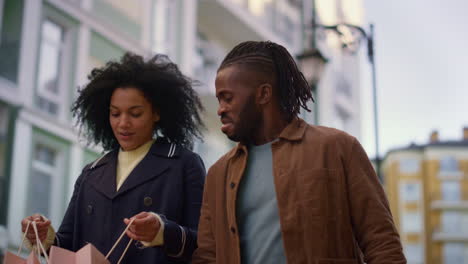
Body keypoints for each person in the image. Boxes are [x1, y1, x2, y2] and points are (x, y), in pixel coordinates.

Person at [192, 41, 406, 264]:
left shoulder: (338, 148)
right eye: (219, 100)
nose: (221, 109)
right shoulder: (218, 174)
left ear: (263, 94)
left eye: (228, 98)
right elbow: (207, 256)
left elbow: (381, 242)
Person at [21, 53, 206, 263]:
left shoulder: (184, 164)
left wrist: (162, 232)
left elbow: (204, 242)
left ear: (157, 113)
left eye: (135, 114)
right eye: (115, 114)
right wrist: (43, 237)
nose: (123, 123)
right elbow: (70, 246)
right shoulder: (91, 174)